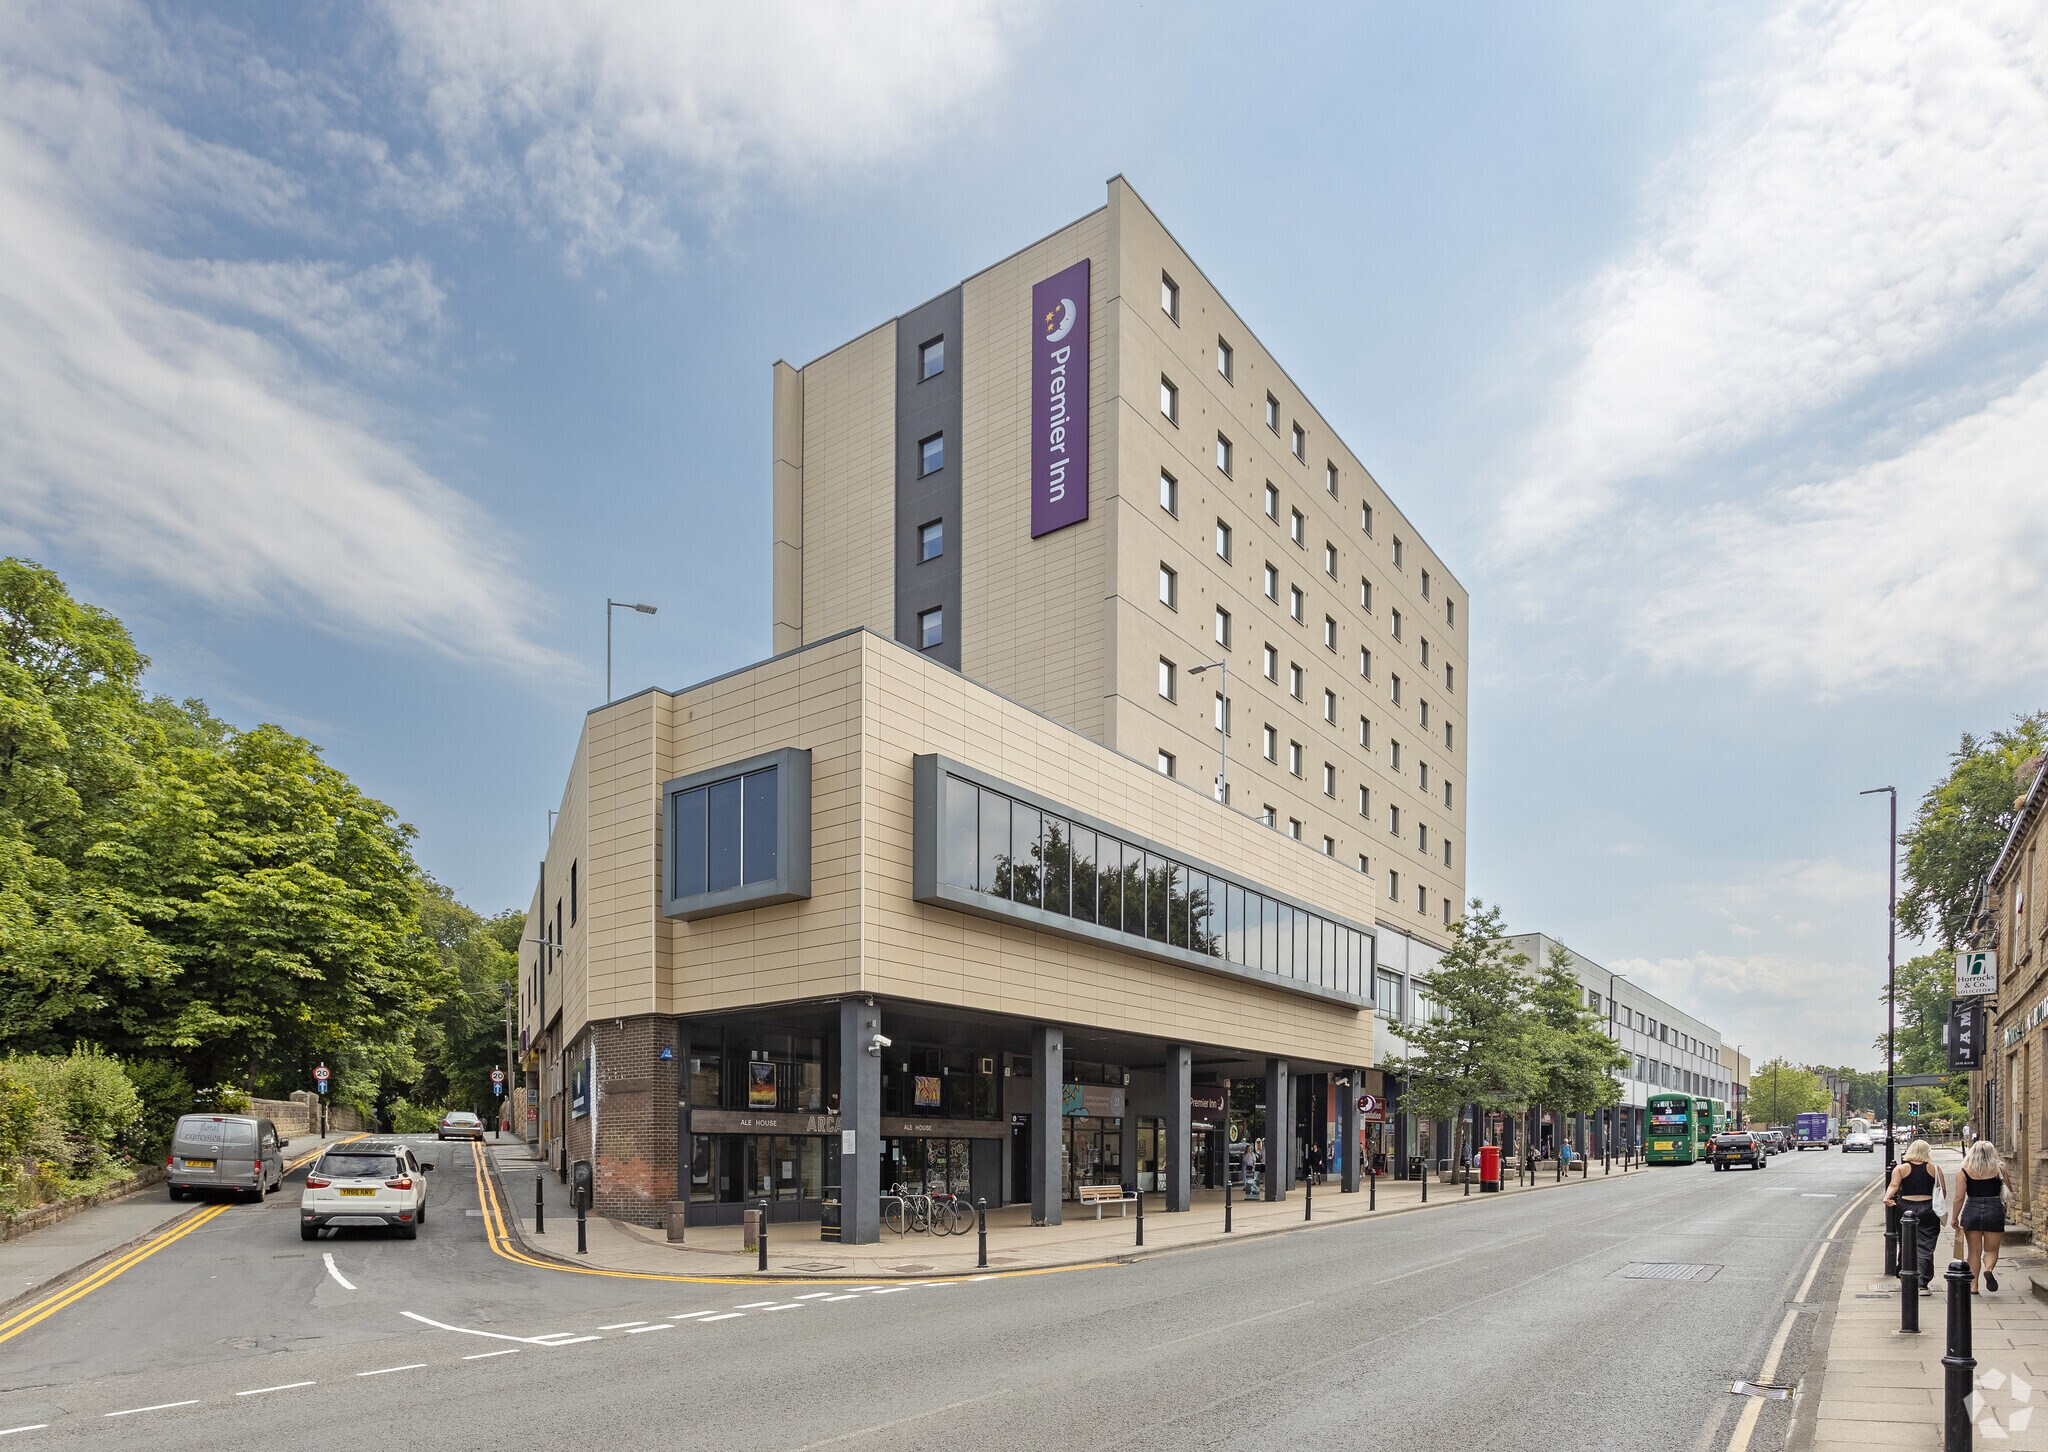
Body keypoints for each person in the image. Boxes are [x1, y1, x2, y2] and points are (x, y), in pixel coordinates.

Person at [1885, 1138, 1948, 1295]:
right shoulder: (1935, 1169)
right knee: (1926, 1245)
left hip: (1906, 1209)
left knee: (1906, 1243)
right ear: (1927, 1152)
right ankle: (1922, 1284)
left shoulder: (1901, 1169)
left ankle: (1906, 1277)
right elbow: (1942, 1192)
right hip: (1928, 1209)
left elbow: (1894, 1186)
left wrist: (1887, 1198)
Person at [1952, 1139, 2014, 1294]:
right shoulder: (2000, 1169)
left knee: (1973, 1251)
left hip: (1971, 1210)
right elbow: (2009, 1190)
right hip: (1994, 1210)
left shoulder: (1964, 1171)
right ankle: (1988, 1269)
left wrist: (1954, 1217)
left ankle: (1973, 1286)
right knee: (1991, 1250)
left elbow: (1959, 1197)